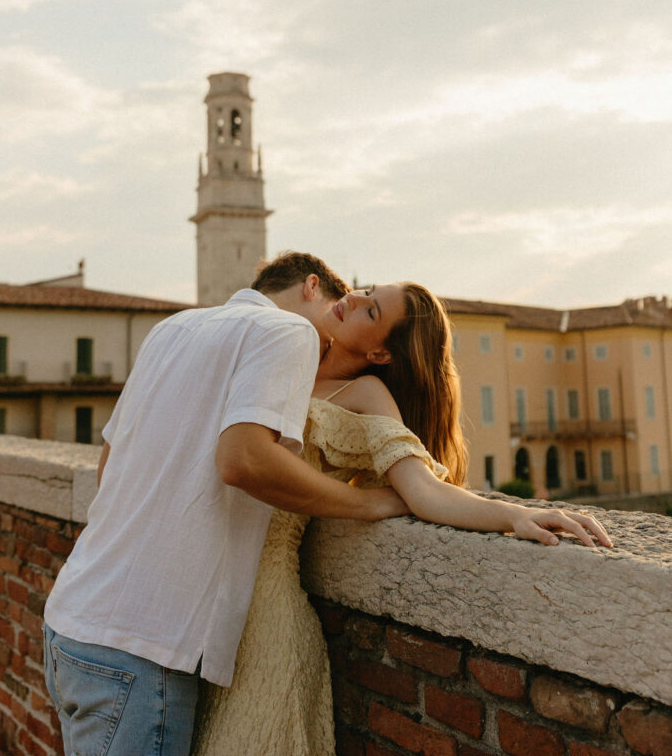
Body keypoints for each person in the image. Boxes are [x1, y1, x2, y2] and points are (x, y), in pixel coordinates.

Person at [192, 280, 612, 755]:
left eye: (369, 312)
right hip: (197, 605)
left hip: (265, 615)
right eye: (362, 292)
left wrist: (513, 515)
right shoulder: (281, 355)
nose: (349, 299)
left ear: (380, 356)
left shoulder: (365, 392)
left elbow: (424, 490)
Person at [42, 253, 409, 756]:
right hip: (142, 646)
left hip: (71, 622)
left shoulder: (173, 328)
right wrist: (365, 504)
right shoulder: (290, 332)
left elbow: (110, 465)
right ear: (310, 288)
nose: (324, 347)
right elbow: (242, 460)